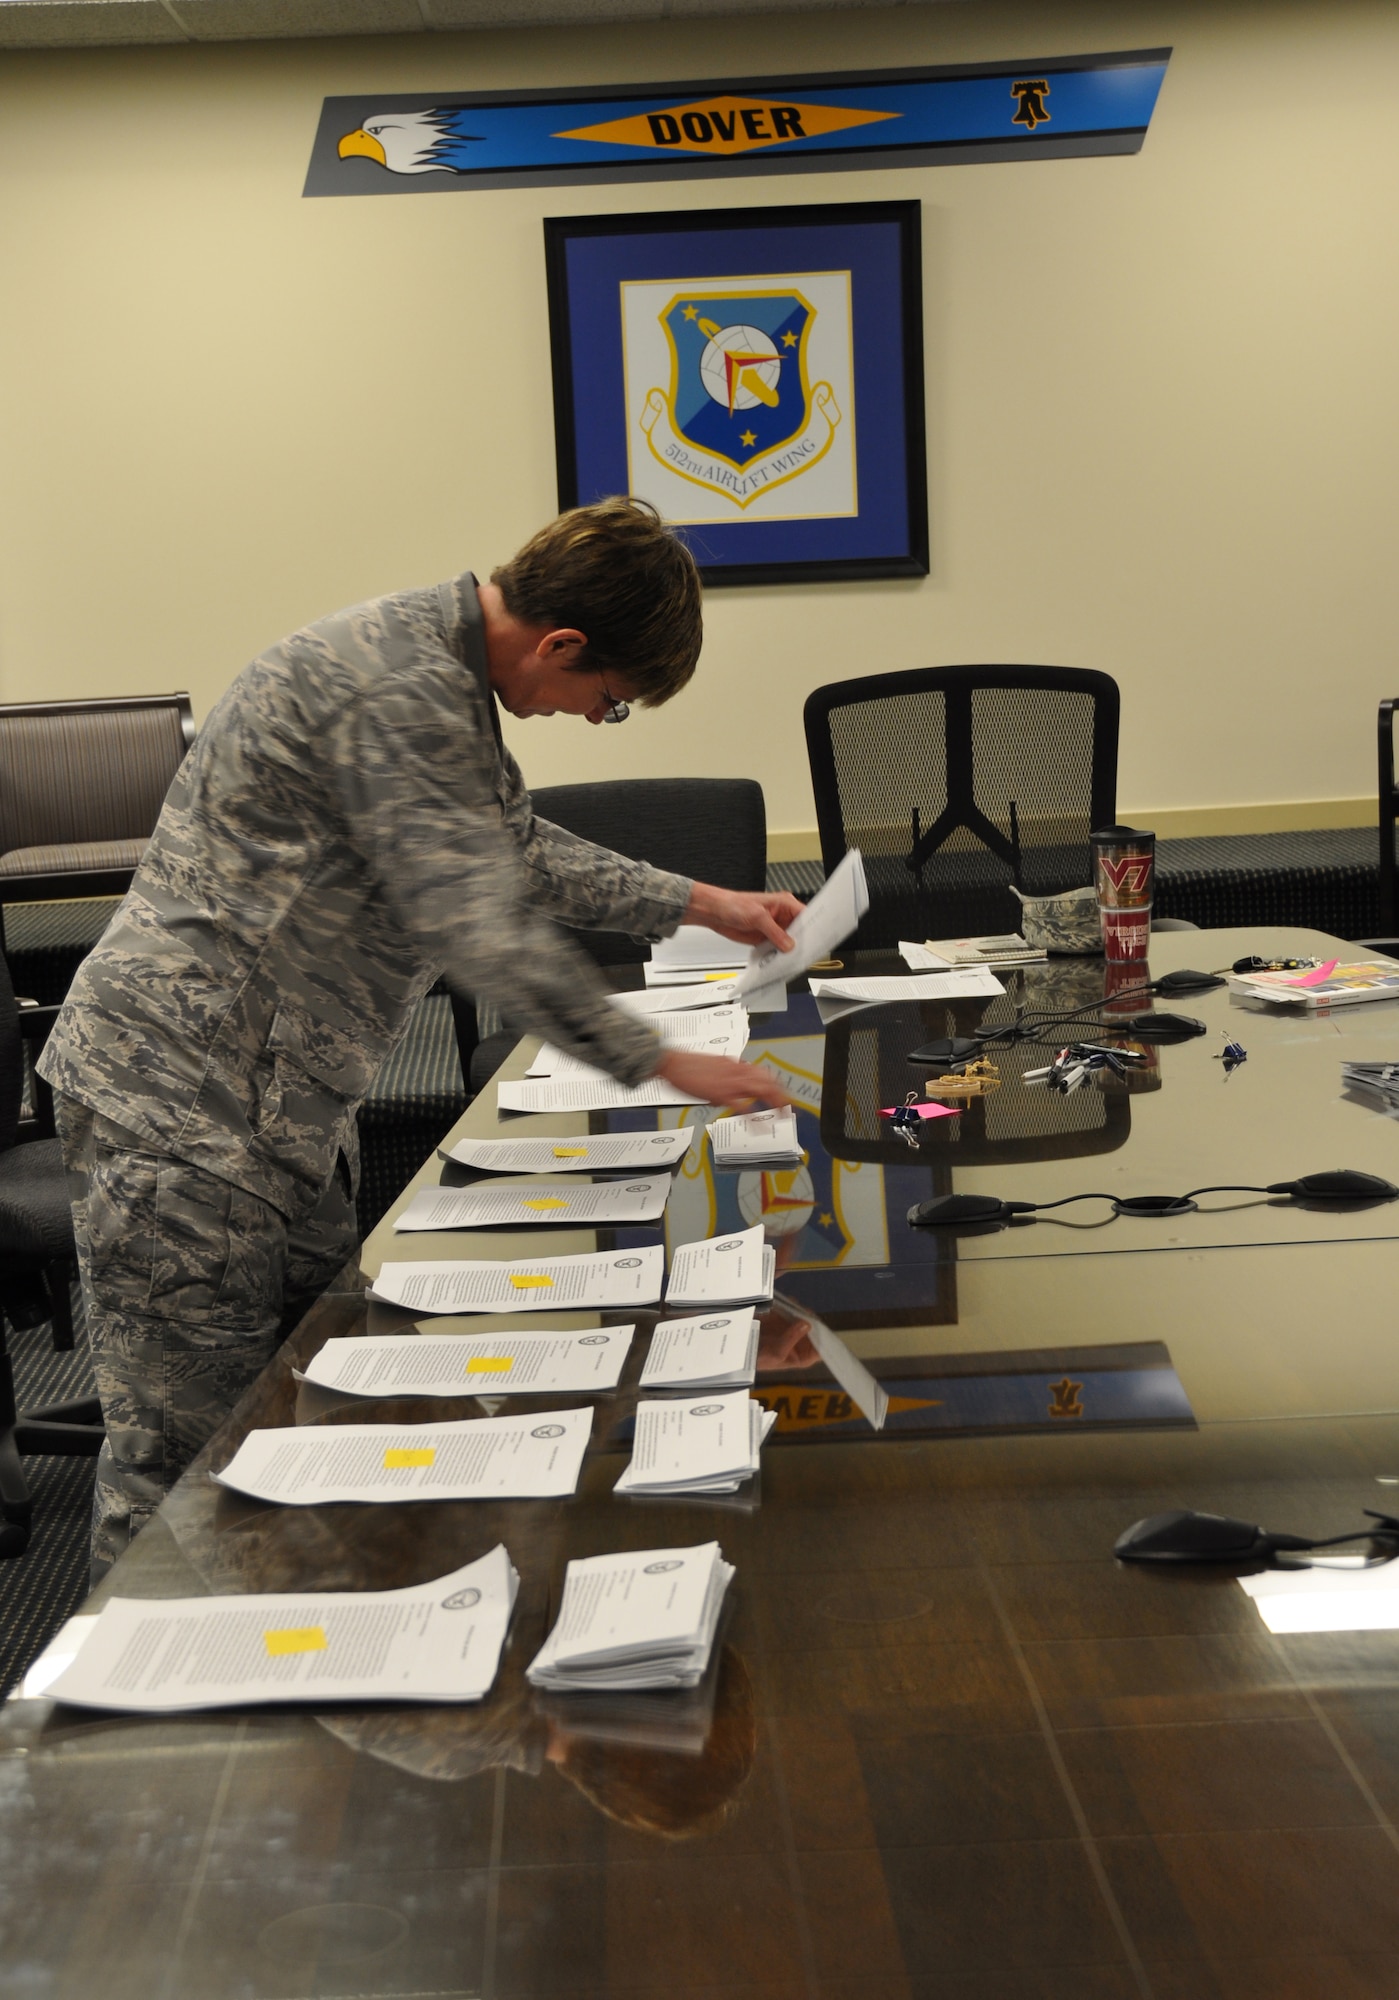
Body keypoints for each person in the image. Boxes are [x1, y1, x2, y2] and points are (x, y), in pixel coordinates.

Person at [39, 497, 801, 1576]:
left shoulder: (433, 670)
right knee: (179, 1466)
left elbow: (513, 849)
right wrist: (661, 1059)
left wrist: (700, 901)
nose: (598, 720)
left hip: (280, 1104)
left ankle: (315, 1649)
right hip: (182, 1106)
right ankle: (128, 1683)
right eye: (610, 700)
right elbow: (479, 924)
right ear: (561, 644)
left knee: (326, 1398)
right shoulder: (397, 689)